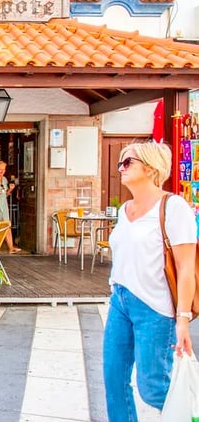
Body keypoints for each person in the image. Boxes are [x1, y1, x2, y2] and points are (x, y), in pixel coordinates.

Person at [103, 141, 196, 421]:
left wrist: (182, 320)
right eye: (120, 162)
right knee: (114, 380)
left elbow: (186, 267)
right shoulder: (125, 209)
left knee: (153, 388)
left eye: (127, 162)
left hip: (154, 308)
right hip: (120, 300)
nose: (121, 168)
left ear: (151, 166)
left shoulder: (173, 207)